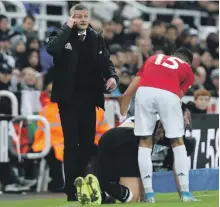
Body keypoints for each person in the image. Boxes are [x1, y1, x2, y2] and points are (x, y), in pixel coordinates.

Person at [46, 4, 119, 202]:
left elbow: (106, 62)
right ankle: (71, 190)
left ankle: (79, 182)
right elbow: (52, 50)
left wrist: (112, 76)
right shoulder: (62, 35)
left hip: (89, 98)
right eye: (78, 16)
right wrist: (67, 27)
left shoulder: (95, 37)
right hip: (68, 99)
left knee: (87, 145)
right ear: (71, 17)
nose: (83, 19)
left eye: (85, 15)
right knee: (71, 144)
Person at [120, 48, 195, 202]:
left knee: (145, 141)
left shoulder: (153, 58)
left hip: (144, 92)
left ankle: (149, 195)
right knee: (177, 141)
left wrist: (123, 112)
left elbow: (130, 90)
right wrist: (163, 122)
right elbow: (176, 97)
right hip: (169, 95)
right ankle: (186, 193)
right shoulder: (187, 69)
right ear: (187, 62)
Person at [74, 114, 198, 205]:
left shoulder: (156, 115)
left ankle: (97, 190)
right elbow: (178, 167)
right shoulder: (175, 133)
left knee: (111, 188)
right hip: (128, 139)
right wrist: (184, 192)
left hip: (108, 137)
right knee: (133, 198)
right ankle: (103, 187)